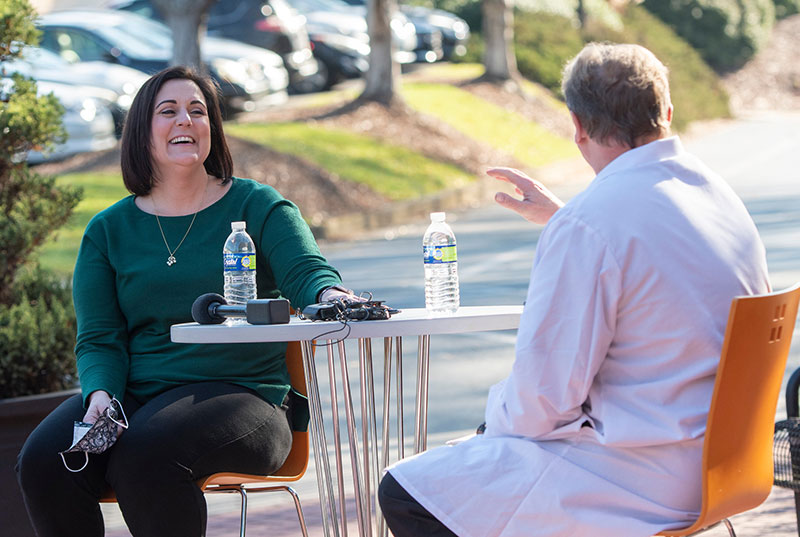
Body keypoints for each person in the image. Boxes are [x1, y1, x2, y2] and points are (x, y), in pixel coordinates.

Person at [378, 42, 771, 537]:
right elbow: (653, 257)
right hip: (724, 464)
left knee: (408, 490)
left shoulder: (592, 224)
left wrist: (490, 427)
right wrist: (568, 221)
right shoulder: (717, 196)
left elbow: (540, 402)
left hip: (638, 478)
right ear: (666, 111)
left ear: (578, 125)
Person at [16, 66, 356, 537]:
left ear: (212, 129)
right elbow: (99, 338)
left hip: (247, 396)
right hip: (137, 396)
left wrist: (330, 294)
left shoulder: (259, 206)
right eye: (168, 111)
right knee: (43, 461)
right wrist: (100, 398)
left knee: (147, 456)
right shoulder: (107, 231)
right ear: (142, 131)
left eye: (198, 111)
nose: (185, 121)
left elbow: (306, 273)